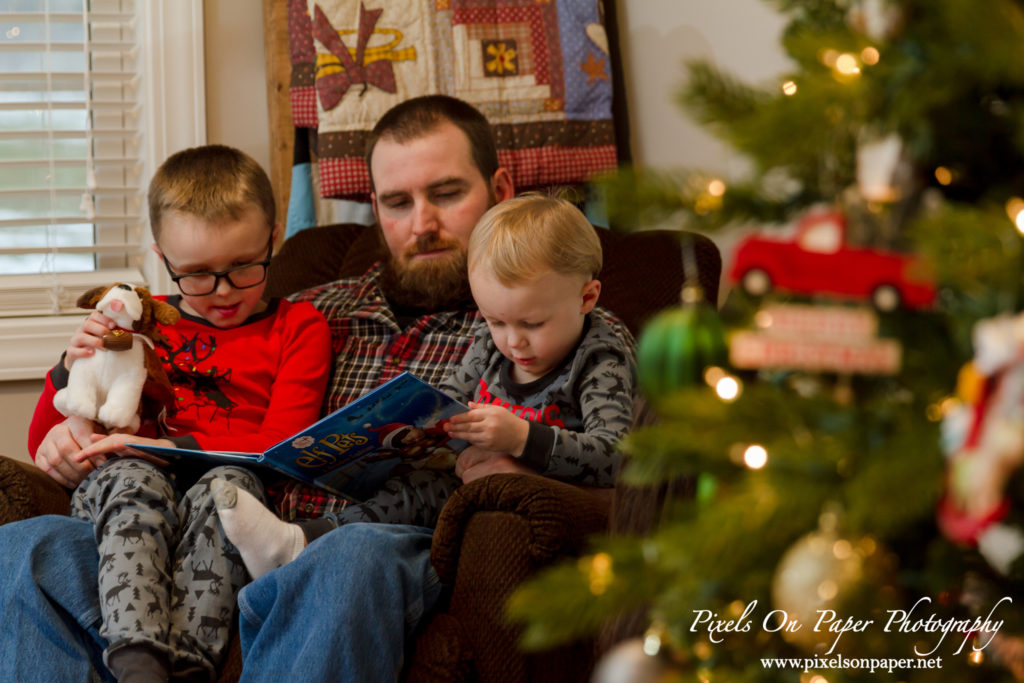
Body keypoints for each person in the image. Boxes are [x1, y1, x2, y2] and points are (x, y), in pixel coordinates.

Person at [8, 145, 331, 681]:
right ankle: (138, 662)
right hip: (126, 486)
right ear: (163, 258)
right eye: (198, 275)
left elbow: (279, 450)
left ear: (272, 239)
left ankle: (186, 666)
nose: (223, 293)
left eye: (244, 267)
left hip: (231, 482)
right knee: (135, 476)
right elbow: (43, 440)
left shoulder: (298, 327)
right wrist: (71, 364)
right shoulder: (135, 319)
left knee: (229, 487)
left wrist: (165, 449)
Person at [212, 194, 635, 579]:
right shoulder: (491, 345)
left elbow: (617, 458)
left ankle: (300, 546)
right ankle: (297, 541)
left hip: (516, 506)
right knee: (410, 488)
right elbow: (448, 398)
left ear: (586, 297)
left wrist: (522, 437)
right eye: (496, 320)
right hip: (456, 481)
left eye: (533, 323)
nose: (513, 342)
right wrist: (414, 425)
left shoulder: (597, 357)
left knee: (418, 501)